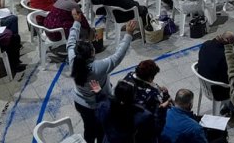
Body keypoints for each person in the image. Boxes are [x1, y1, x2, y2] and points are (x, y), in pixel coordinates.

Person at [68, 8, 137, 143]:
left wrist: (76, 23)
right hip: (96, 104)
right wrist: (128, 35)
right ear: (92, 54)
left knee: (88, 128)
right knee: (101, 129)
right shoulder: (98, 68)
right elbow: (117, 56)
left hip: (80, 101)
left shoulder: (73, 60)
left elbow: (70, 41)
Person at [91, 79, 158, 143]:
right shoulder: (142, 115)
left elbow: (103, 106)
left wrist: (99, 94)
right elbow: (150, 135)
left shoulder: (104, 106)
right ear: (133, 96)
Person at [122, 59, 171, 127]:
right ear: (150, 78)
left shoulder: (129, 75)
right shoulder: (153, 94)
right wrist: (166, 96)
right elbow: (161, 109)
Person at [197, 32, 234, 102]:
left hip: (204, 85)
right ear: (229, 43)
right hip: (217, 91)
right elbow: (228, 79)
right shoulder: (224, 56)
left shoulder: (205, 44)